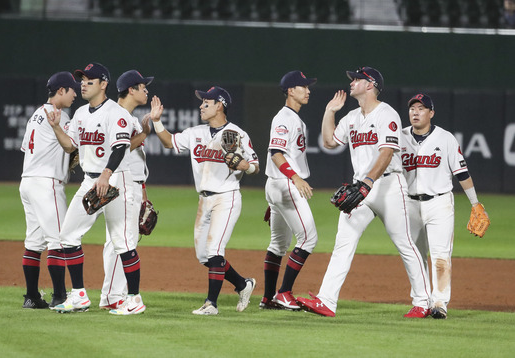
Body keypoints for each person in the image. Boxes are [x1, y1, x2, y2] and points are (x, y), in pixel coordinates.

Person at [296, 66, 431, 318]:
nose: (352, 82)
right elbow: (328, 142)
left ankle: (423, 301)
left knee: (404, 243)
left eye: (357, 79)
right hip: (361, 187)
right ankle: (326, 300)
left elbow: (387, 152)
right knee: (343, 242)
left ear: (370, 85)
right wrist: (329, 111)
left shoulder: (386, 113)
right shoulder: (350, 118)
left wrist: (367, 183)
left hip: (388, 185)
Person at [46, 62, 145, 315]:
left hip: (115, 180)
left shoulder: (116, 113)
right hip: (90, 181)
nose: (83, 83)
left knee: (122, 241)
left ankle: (134, 300)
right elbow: (71, 147)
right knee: (67, 235)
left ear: (103, 84)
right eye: (82, 80)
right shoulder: (79, 113)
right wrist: (57, 127)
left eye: (89, 80)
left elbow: (121, 147)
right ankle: (79, 295)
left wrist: (106, 174)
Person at [151, 86, 258, 315]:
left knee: (214, 250)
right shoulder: (195, 132)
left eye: (206, 102)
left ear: (219, 105)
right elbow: (169, 142)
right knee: (204, 256)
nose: (201, 105)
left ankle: (211, 304)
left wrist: (246, 166)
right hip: (204, 200)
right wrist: (157, 122)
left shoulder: (237, 134)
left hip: (226, 197)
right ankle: (242, 284)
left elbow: (255, 165)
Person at [401, 93, 488, 319]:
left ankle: (439, 303)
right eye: (412, 108)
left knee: (440, 256)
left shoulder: (445, 138)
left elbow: (462, 173)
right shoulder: (399, 137)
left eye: (421, 108)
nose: (416, 112)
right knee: (415, 257)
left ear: (431, 113)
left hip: (439, 203)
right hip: (409, 204)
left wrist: (475, 203)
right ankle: (420, 302)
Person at [99, 70, 163, 310]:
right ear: (131, 90)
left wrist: (143, 192)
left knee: (118, 240)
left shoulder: (128, 117)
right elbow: (121, 149)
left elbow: (136, 162)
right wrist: (146, 133)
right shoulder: (117, 115)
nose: (146, 90)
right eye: (142, 86)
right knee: (123, 241)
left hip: (131, 183)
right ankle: (115, 296)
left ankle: (110, 296)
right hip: (120, 182)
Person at [19, 71, 79, 309]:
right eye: (72, 89)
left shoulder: (36, 114)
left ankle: (32, 297)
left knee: (34, 241)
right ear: (61, 91)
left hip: (28, 181)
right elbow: (71, 145)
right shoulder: (59, 115)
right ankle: (60, 296)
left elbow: (29, 148)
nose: (76, 93)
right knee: (58, 240)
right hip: (47, 183)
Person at [261, 70, 319, 310]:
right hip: (286, 183)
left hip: (277, 186)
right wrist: (295, 178)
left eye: (308, 87)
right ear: (290, 90)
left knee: (278, 245)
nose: (308, 90)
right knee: (309, 238)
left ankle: (268, 297)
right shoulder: (285, 118)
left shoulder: (293, 118)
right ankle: (284, 293)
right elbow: (276, 153)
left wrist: (274, 198)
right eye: (303, 86)